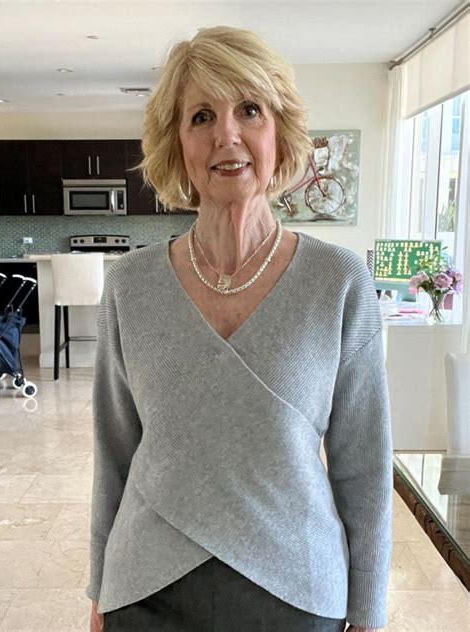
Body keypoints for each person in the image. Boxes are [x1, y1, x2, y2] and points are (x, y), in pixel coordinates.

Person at [88, 26, 393, 632]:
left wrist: (369, 610)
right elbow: (114, 454)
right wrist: (99, 590)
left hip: (297, 589)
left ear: (278, 132)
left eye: (248, 110)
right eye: (202, 115)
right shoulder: (130, 286)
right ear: (179, 144)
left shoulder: (338, 282)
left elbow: (364, 466)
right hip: (145, 592)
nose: (227, 135)